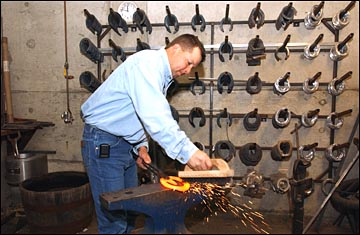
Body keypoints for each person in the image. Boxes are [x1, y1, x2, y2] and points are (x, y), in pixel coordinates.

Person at [80, 34, 213, 234]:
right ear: (176, 48)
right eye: (188, 63)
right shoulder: (146, 65)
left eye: (192, 68)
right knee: (114, 221)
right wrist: (189, 153)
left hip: (124, 148)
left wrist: (141, 147)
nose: (187, 71)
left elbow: (136, 114)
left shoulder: (158, 74)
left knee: (130, 214)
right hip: (104, 144)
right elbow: (156, 116)